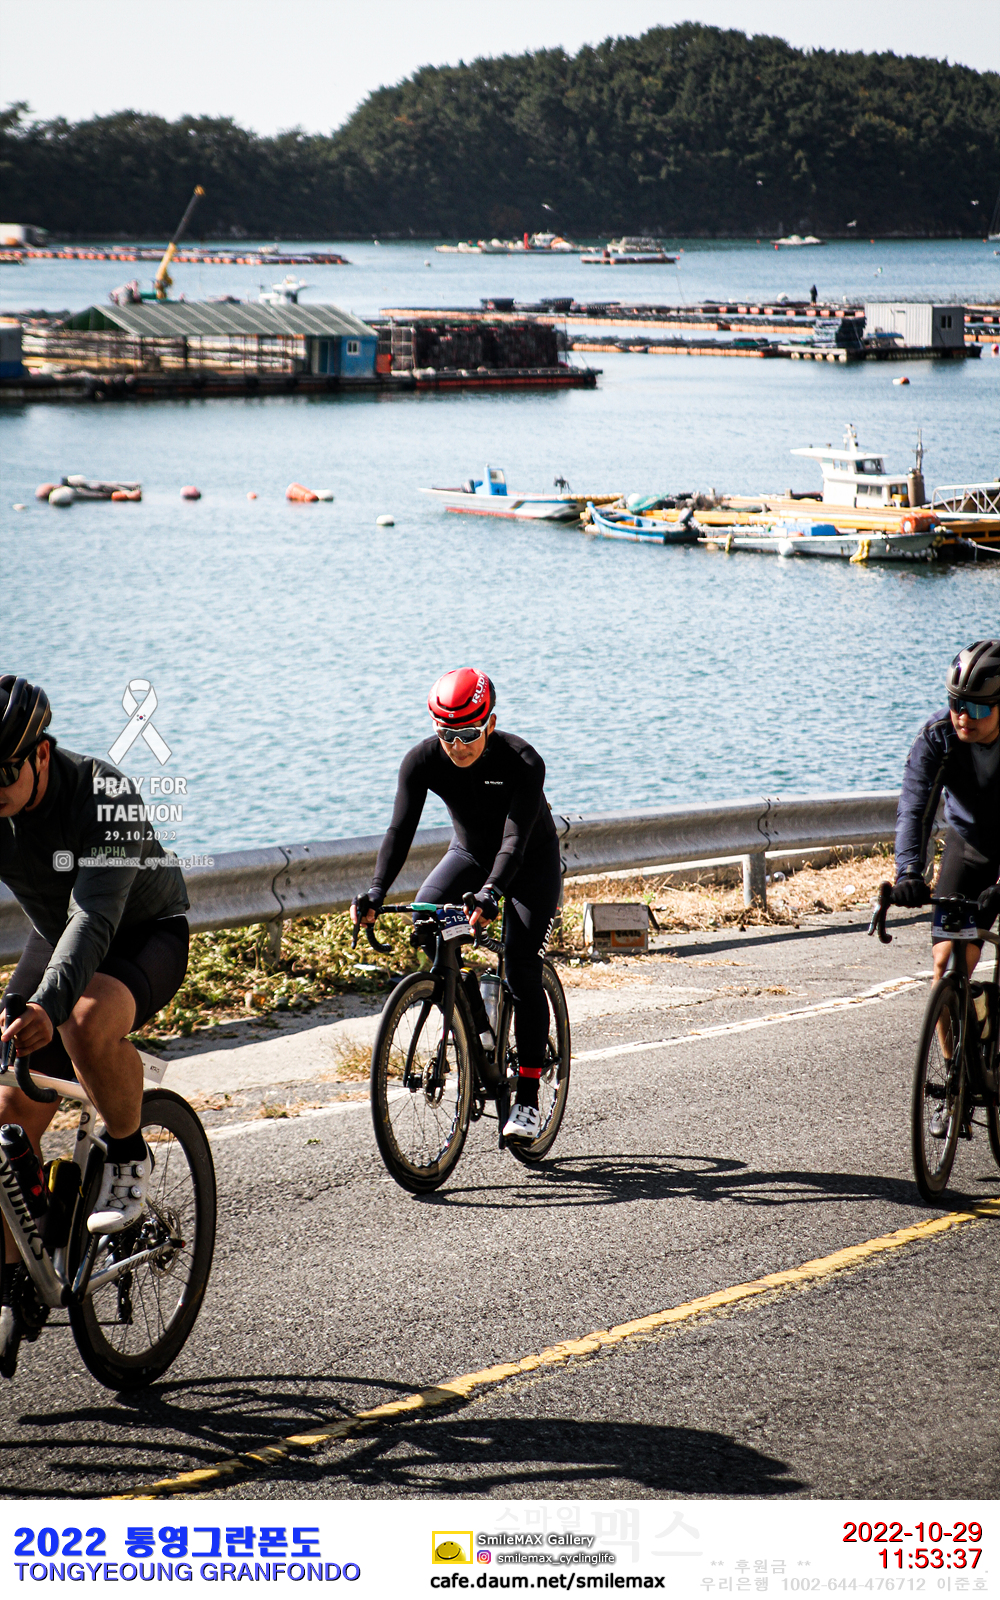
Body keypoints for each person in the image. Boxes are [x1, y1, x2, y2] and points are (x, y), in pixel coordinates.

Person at [0, 677, 190, 1373]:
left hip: (142, 932)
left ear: (41, 754)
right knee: (8, 1108)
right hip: (56, 935)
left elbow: (93, 919)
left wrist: (46, 1008)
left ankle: (129, 1151)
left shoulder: (102, 793)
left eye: (4, 772)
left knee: (79, 1023)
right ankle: (20, 1271)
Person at [352, 669, 561, 1142]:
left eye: (468, 733)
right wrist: (376, 892)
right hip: (468, 855)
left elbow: (513, 842)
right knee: (425, 921)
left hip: (529, 863)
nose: (457, 745)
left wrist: (491, 893)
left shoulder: (523, 760)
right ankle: (472, 1016)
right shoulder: (422, 760)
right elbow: (399, 831)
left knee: (521, 967)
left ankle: (528, 1097)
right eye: (447, 734)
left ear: (490, 723)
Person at [892, 641, 1000, 1127]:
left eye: (978, 708)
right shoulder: (938, 735)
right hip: (969, 842)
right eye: (957, 703)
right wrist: (908, 874)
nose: (963, 717)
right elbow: (915, 809)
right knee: (947, 961)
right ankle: (953, 1085)